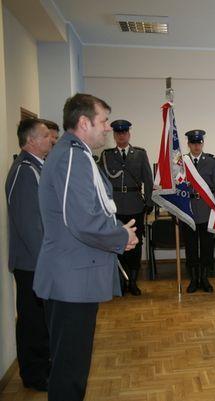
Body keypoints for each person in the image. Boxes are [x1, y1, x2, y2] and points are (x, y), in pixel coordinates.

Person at [33, 93, 138, 401]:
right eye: (103, 121)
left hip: (72, 279)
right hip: (71, 281)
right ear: (83, 122)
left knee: (70, 368)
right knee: (70, 373)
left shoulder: (73, 153)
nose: (107, 128)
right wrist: (121, 237)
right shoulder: (71, 156)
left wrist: (117, 232)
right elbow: (80, 219)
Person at [5, 118, 52, 391]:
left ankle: (43, 366)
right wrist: (47, 260)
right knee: (32, 321)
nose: (51, 139)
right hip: (31, 263)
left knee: (40, 319)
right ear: (32, 140)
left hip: (38, 261)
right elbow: (29, 225)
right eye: (46, 135)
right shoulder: (24, 171)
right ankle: (34, 375)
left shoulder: (36, 167)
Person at [99, 119, 154, 295]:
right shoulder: (106, 155)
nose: (121, 136)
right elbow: (101, 182)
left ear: (129, 134)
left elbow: (148, 179)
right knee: (118, 243)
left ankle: (133, 281)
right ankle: (122, 281)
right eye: (118, 133)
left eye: (124, 133)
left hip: (135, 205)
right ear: (114, 135)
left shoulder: (139, 154)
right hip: (115, 207)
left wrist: (149, 202)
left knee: (136, 243)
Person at [182, 129, 215, 293]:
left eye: (199, 142)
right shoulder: (181, 162)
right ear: (189, 144)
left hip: (207, 210)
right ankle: (193, 279)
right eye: (193, 143)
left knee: (206, 246)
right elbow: (176, 189)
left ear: (202, 143)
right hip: (189, 210)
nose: (196, 146)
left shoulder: (211, 161)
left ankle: (205, 278)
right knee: (191, 247)